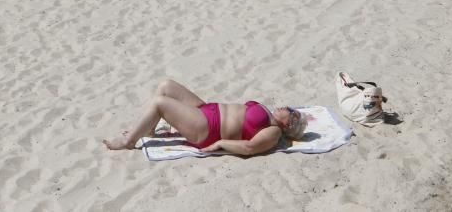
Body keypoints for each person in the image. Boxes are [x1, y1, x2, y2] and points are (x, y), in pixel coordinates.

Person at [102, 79, 306, 155]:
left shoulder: (273, 132)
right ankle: (149, 129)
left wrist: (220, 144)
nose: (284, 107)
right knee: (165, 86)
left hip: (208, 130)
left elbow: (249, 148)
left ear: (289, 123)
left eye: (289, 110)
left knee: (159, 103)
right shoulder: (268, 114)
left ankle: (129, 141)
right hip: (207, 110)